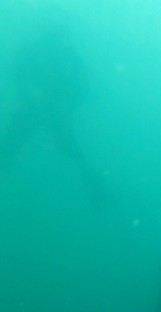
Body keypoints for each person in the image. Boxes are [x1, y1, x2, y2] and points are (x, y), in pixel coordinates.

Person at [0, 22, 110, 206]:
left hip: (46, 110)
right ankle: (97, 189)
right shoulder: (61, 54)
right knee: (72, 152)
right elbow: (18, 69)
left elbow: (83, 89)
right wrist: (36, 95)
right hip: (43, 110)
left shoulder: (60, 55)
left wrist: (54, 101)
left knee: (10, 146)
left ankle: (97, 190)